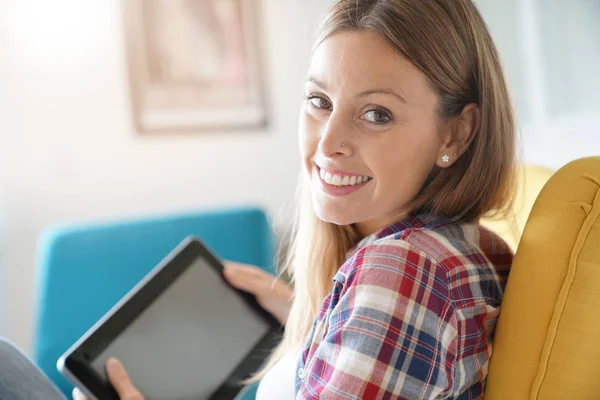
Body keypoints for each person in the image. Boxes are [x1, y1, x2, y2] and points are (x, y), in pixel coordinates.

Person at [0, 0, 517, 398]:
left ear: (456, 134)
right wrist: (314, 325)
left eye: (376, 113)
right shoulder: (464, 247)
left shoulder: (402, 271)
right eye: (319, 101)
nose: (327, 142)